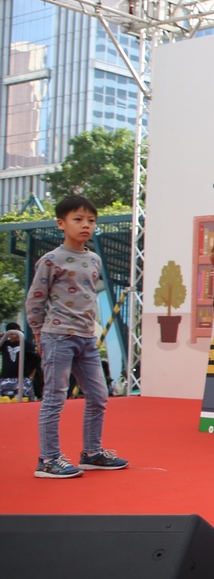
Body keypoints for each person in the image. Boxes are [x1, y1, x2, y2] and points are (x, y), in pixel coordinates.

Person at [25, 195, 127, 478]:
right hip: (57, 337)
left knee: (99, 395)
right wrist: (38, 335)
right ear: (61, 223)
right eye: (78, 219)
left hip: (86, 339)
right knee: (55, 397)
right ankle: (48, 459)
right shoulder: (50, 260)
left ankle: (92, 453)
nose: (86, 225)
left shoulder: (94, 259)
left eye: (91, 220)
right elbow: (35, 301)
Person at [1, 322, 40, 400]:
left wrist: (30, 377)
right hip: (6, 377)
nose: (14, 336)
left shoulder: (26, 344)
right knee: (5, 400)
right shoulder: (4, 344)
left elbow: (35, 360)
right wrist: (2, 335)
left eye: (16, 333)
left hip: (23, 377)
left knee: (24, 399)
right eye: (11, 334)